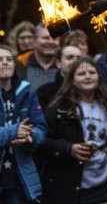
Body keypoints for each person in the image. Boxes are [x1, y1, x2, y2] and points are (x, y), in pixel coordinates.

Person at [40, 57, 107, 204]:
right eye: (82, 74)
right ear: (72, 81)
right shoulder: (60, 109)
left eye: (92, 72)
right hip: (74, 189)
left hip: (105, 185)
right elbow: (42, 142)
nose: (88, 76)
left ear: (99, 78)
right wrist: (69, 149)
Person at [0, 44, 47, 203]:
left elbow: (41, 129)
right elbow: (15, 131)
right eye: (0, 60)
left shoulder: (27, 91)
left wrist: (31, 137)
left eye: (8, 59)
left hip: (22, 177)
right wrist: (13, 132)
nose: (5, 63)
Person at [16, 23, 60, 91]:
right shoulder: (21, 63)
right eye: (46, 38)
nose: (51, 42)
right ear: (34, 40)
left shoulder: (65, 65)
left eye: (55, 38)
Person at [37, 44, 82, 110]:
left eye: (79, 58)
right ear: (58, 63)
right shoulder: (45, 92)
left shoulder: (90, 89)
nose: (75, 61)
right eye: (69, 57)